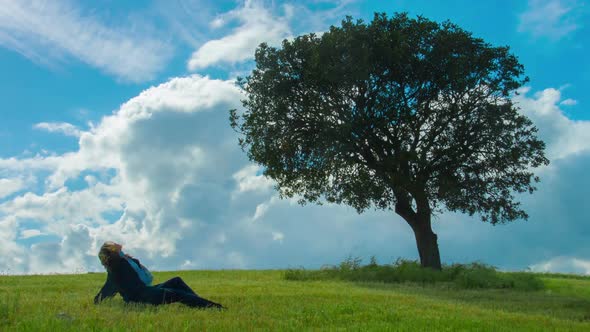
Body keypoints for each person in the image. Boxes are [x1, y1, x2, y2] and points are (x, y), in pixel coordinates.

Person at [94, 241, 223, 309]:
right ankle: (214, 307)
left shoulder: (126, 260)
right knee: (177, 294)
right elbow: (108, 288)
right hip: (140, 297)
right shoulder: (116, 268)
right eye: (112, 244)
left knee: (176, 281)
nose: (116, 243)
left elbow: (144, 275)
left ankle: (198, 304)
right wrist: (97, 301)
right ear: (111, 250)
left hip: (146, 291)